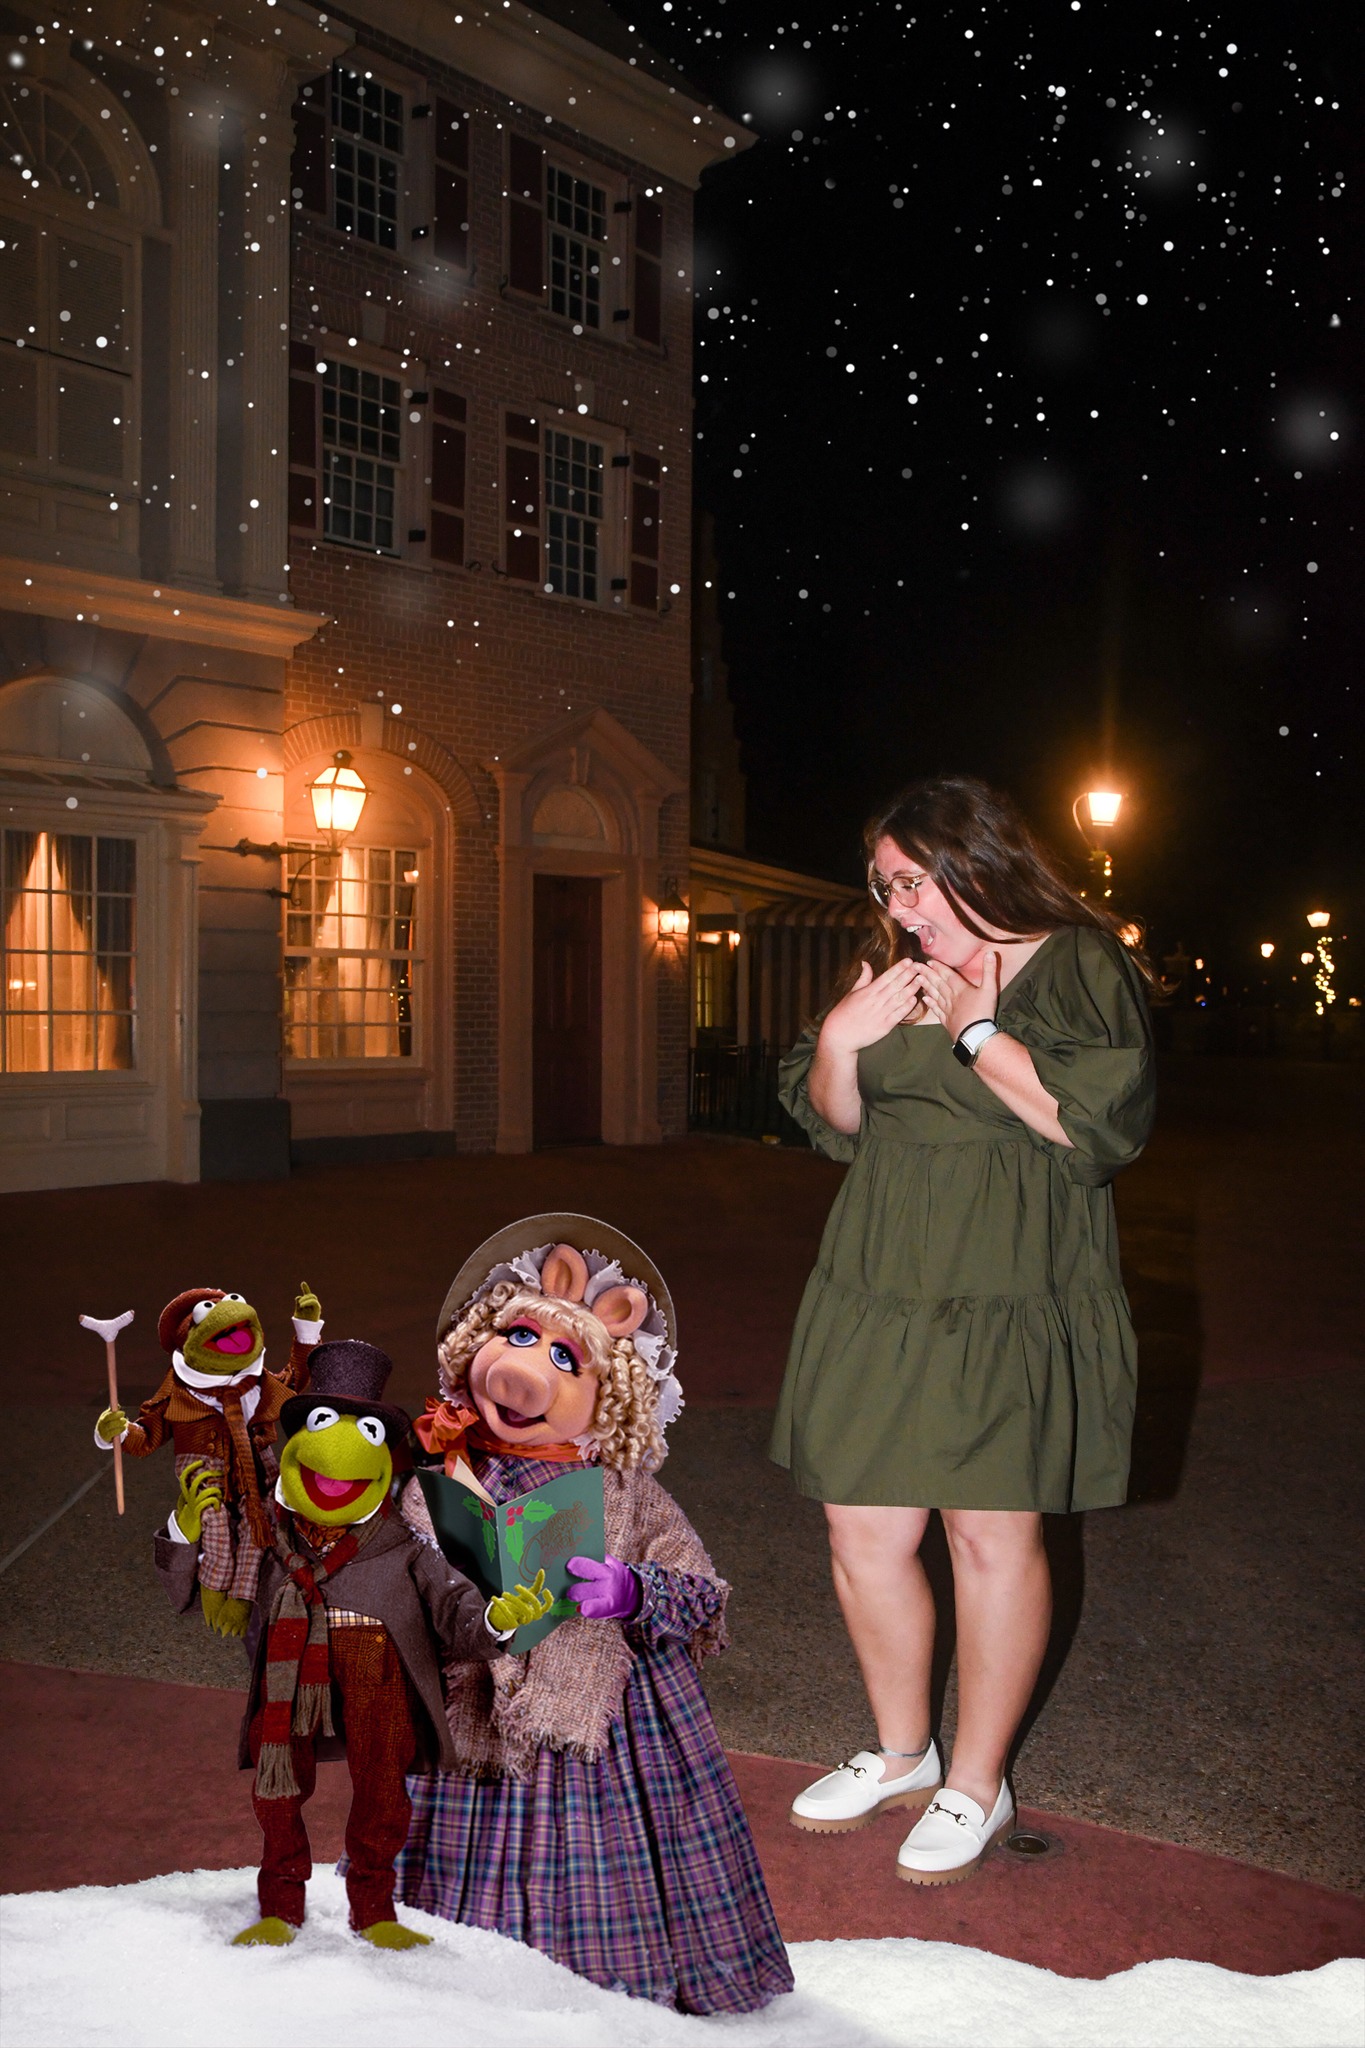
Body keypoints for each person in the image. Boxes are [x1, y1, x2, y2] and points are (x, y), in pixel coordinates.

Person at [773, 776, 1155, 1884]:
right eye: (885, 886)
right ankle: (903, 1751)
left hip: (1008, 1279)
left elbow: (1096, 1127)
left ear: (975, 861)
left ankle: (978, 1783)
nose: (898, 907)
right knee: (862, 1527)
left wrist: (976, 1029)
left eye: (912, 880)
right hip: (877, 1276)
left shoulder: (1078, 962)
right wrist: (841, 1038)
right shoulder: (892, 969)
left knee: (988, 1534)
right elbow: (839, 1120)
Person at [395, 1215, 794, 2015]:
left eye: (563, 1358)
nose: (521, 1373)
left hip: (600, 1714)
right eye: (515, 1338)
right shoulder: (442, 1473)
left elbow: (701, 1592)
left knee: (595, 1844)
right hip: (470, 1697)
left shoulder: (624, 1493)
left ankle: (598, 2001)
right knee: (448, 1839)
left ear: (610, 1397)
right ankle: (455, 1988)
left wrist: (633, 1589)